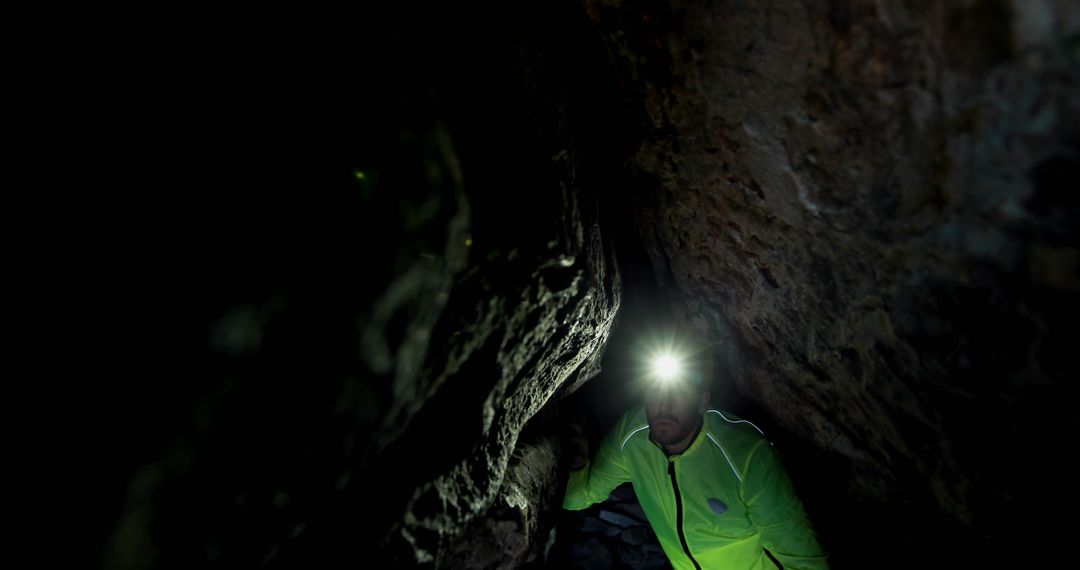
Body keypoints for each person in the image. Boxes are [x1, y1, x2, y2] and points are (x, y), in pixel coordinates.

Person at [562, 343, 829, 569]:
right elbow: (579, 498)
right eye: (655, 392)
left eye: (677, 394)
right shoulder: (632, 436)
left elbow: (802, 558)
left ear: (702, 402)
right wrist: (576, 463)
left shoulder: (745, 454)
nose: (663, 405)